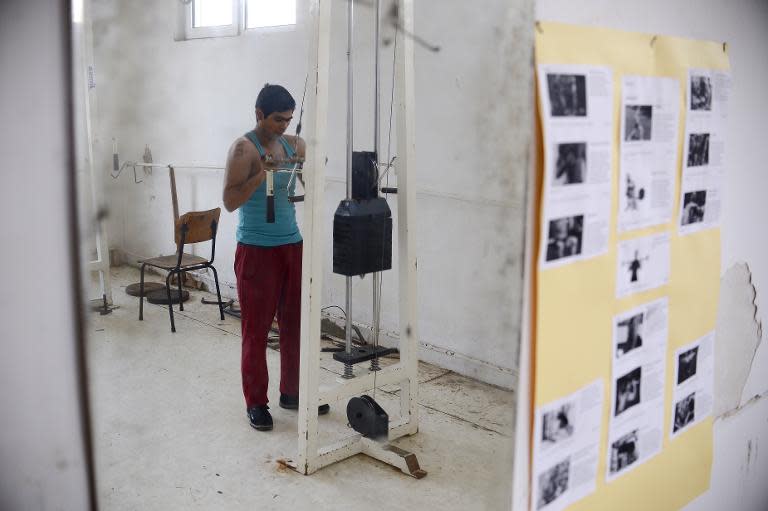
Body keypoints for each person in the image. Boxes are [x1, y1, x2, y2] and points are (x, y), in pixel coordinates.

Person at [222, 84, 328, 432]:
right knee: (255, 330)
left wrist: (311, 164)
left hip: (291, 245)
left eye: (289, 120)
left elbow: (307, 183)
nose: (284, 125)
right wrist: (262, 173)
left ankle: (292, 392)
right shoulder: (243, 149)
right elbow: (230, 200)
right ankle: (255, 402)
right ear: (259, 115)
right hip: (256, 249)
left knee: (296, 324)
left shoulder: (293, 144)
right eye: (278, 119)